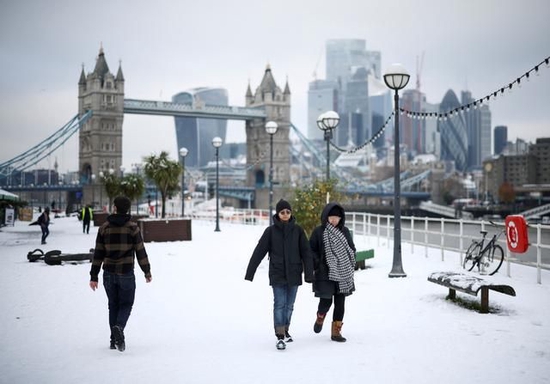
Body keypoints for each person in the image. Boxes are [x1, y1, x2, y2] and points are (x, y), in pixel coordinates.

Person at [245, 199, 313, 351]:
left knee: (289, 306)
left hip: (294, 273)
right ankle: (280, 335)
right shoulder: (270, 232)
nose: (285, 214)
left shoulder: (298, 231)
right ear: (278, 213)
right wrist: (250, 272)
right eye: (282, 212)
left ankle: (286, 329)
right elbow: (259, 251)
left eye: (288, 212)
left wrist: (309, 273)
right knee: (279, 304)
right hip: (277, 273)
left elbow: (306, 253)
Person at [89, 195, 152, 352]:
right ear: (128, 209)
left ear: (115, 208)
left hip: (108, 273)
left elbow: (98, 254)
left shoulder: (104, 228)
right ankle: (119, 328)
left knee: (113, 305)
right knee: (126, 304)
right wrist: (147, 271)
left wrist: (93, 276)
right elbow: (140, 251)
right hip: (126, 273)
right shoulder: (133, 228)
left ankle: (113, 340)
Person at [309, 202, 356, 342]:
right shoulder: (319, 231)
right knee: (326, 300)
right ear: (326, 217)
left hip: (343, 273)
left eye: (337, 218)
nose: (334, 220)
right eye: (331, 217)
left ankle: (336, 332)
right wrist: (318, 263)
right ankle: (320, 316)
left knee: (340, 302)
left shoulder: (345, 231)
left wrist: (349, 260)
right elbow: (311, 250)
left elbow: (351, 249)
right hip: (325, 273)